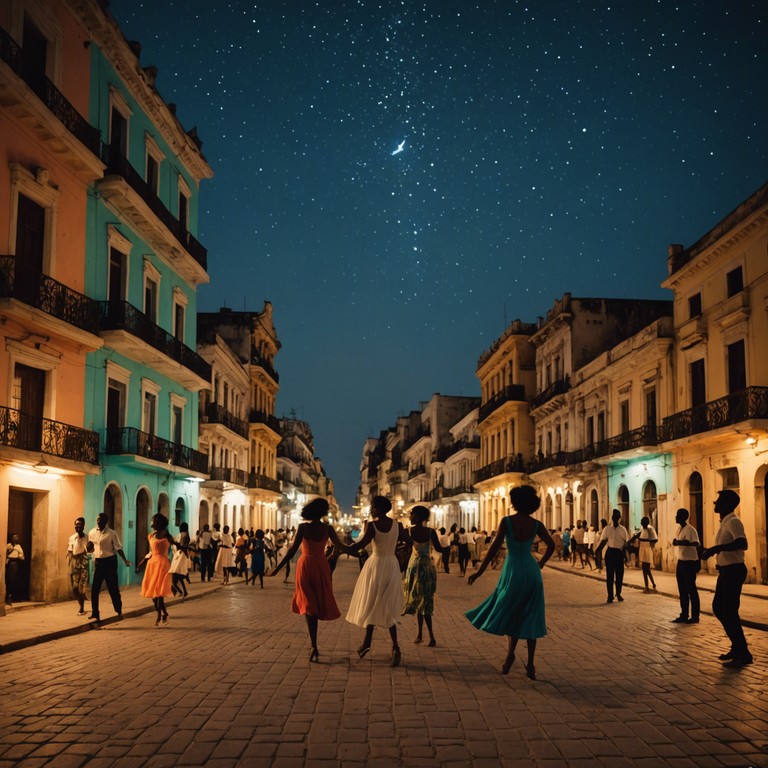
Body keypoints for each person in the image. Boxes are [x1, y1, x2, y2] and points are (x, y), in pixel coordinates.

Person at [466, 485, 554, 680]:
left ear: (515, 502)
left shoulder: (507, 522)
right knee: (531, 616)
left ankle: (510, 656)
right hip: (532, 572)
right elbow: (552, 545)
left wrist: (480, 571)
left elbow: (494, 548)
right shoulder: (537, 524)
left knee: (512, 613)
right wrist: (541, 563)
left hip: (513, 572)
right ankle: (530, 665)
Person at [269, 498, 346, 661]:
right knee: (317, 600)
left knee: (308, 602)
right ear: (323, 512)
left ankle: (314, 644)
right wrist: (356, 551)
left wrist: (277, 568)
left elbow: (292, 551)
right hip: (321, 565)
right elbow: (341, 546)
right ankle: (314, 645)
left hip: (305, 565)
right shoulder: (328, 528)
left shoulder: (303, 527)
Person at [346, 496, 409, 666]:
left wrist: (343, 546)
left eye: (373, 507)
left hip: (376, 564)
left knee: (372, 601)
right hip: (392, 564)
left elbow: (359, 546)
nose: (371, 509)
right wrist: (401, 554)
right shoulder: (398, 525)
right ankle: (395, 647)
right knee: (388, 604)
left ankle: (367, 643)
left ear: (379, 509)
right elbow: (408, 542)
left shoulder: (373, 526)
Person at [701, 489, 752, 668]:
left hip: (734, 571)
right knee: (719, 608)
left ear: (728, 505)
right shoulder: (725, 522)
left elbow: (742, 543)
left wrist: (716, 549)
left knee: (729, 611)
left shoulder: (734, 522)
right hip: (726, 571)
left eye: (719, 501)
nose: (715, 503)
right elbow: (728, 545)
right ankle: (737, 647)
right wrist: (712, 550)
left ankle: (743, 652)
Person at [403, 505, 449, 646]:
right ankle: (431, 636)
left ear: (416, 516)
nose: (410, 516)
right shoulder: (430, 532)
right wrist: (448, 553)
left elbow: (404, 550)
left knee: (417, 600)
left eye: (411, 514)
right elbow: (440, 549)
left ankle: (420, 635)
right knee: (426, 601)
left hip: (415, 568)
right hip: (428, 568)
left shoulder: (408, 532)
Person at [87, 513, 132, 621]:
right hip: (98, 562)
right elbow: (91, 548)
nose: (98, 522)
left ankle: (118, 610)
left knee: (112, 589)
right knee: (94, 589)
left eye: (101, 520)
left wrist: (125, 560)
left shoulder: (112, 533)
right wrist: (89, 550)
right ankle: (95, 613)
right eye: (97, 520)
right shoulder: (92, 532)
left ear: (106, 521)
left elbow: (118, 548)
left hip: (110, 562)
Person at [140, 513, 175, 627]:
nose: (151, 522)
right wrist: (142, 562)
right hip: (152, 564)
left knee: (159, 593)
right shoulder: (151, 536)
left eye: (153, 520)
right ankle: (164, 613)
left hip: (163, 564)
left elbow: (175, 547)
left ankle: (159, 615)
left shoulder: (167, 535)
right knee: (154, 596)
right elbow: (150, 552)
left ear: (158, 522)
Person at [671, 508, 701, 624]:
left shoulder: (691, 530)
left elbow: (696, 543)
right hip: (681, 561)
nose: (676, 517)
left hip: (690, 562)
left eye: (678, 515)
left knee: (691, 589)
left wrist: (683, 543)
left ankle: (695, 616)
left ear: (684, 517)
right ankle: (684, 614)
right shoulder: (679, 529)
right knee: (682, 590)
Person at [595, 509, 629, 603]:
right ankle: (610, 595)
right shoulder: (607, 529)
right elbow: (603, 541)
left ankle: (618, 593)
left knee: (619, 575)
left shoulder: (623, 530)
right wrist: (597, 550)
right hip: (610, 552)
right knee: (609, 576)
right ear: (612, 518)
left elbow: (626, 544)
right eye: (614, 517)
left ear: (619, 518)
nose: (615, 519)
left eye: (617, 517)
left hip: (619, 553)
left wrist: (626, 557)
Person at [66, 518, 89, 614]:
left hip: (83, 563)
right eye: (76, 524)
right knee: (74, 588)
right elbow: (70, 552)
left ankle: (82, 608)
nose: (77, 526)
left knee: (81, 587)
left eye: (79, 524)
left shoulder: (88, 538)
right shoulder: (72, 538)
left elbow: (91, 551)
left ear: (83, 526)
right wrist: (69, 565)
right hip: (74, 564)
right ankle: (81, 602)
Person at [632, 516, 658, 592]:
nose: (641, 524)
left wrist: (650, 545)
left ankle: (647, 586)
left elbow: (655, 539)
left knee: (645, 568)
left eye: (642, 522)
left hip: (647, 549)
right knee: (646, 569)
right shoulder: (643, 529)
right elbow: (639, 536)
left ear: (646, 523)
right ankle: (652, 584)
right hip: (642, 549)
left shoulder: (650, 529)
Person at [170, 522, 191, 600]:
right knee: (178, 576)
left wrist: (174, 543)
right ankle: (184, 592)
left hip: (180, 556)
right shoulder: (186, 536)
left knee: (174, 577)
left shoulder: (183, 535)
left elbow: (181, 546)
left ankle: (181, 592)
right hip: (180, 556)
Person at [5, 533, 24, 605]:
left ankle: (13, 596)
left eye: (16, 537)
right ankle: (7, 597)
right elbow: (6, 554)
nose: (15, 538)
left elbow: (22, 556)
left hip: (16, 563)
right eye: (14, 537)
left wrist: (19, 556)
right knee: (9, 579)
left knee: (14, 580)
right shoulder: (8, 545)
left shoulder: (18, 546)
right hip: (10, 563)